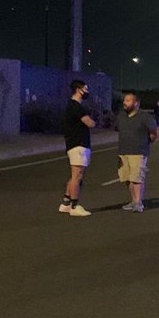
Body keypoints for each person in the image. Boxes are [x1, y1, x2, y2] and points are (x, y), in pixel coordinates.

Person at [116, 91, 157, 212]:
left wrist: (144, 143)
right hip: (123, 152)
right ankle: (133, 201)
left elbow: (154, 134)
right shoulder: (121, 116)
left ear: (136, 103)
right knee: (127, 178)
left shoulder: (145, 117)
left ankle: (138, 203)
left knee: (137, 178)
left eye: (128, 100)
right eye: (124, 100)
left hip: (138, 152)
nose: (125, 102)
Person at [59, 79, 95, 217]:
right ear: (78, 89)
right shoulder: (76, 107)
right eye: (85, 89)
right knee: (77, 176)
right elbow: (89, 123)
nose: (87, 92)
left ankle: (65, 203)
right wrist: (93, 121)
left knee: (75, 174)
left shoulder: (71, 106)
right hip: (78, 143)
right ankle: (74, 205)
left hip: (75, 143)